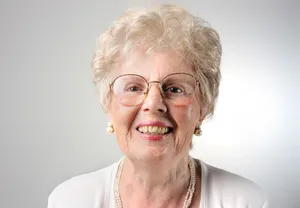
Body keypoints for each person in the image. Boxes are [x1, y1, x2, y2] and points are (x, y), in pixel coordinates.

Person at [47, 4, 269, 208]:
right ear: (109, 102)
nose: (153, 105)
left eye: (174, 89)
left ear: (203, 107)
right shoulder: (70, 200)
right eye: (134, 87)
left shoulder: (245, 202)